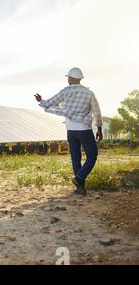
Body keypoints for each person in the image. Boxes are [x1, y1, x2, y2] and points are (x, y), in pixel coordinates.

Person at [34, 67, 103, 195]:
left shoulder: (65, 91)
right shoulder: (89, 93)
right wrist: (99, 128)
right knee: (92, 155)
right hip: (84, 129)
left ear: (71, 79)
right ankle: (79, 179)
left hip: (71, 130)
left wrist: (41, 100)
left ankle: (79, 186)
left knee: (76, 157)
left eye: (68, 78)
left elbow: (49, 102)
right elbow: (96, 111)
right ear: (80, 79)